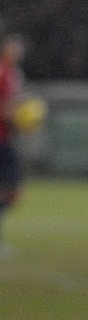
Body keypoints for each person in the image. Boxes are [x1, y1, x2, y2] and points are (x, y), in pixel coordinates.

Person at [0, 34, 26, 256]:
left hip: (6, 138)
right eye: (13, 47)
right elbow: (6, 109)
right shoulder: (2, 72)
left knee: (14, 191)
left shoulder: (14, 74)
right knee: (11, 188)